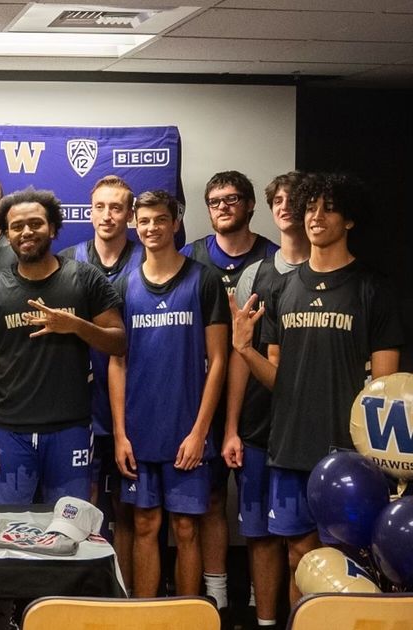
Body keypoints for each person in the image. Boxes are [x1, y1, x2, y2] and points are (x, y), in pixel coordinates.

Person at [232, 172, 402, 606]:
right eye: (310, 207)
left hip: (349, 457)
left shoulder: (372, 289)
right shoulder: (282, 287)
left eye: (328, 208)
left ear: (349, 220)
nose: (316, 217)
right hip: (290, 448)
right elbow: (276, 378)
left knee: (347, 562)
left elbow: (384, 390)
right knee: (299, 559)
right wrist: (245, 350)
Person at [0, 188, 125, 506]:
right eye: (17, 226)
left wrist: (76, 325)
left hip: (71, 429)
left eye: (36, 223)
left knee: (69, 533)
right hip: (8, 432)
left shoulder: (84, 278)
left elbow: (119, 342)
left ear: (52, 228)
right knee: (4, 530)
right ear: (7, 235)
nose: (27, 231)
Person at [108, 190, 229, 599]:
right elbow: (117, 362)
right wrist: (121, 434)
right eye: (144, 221)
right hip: (140, 434)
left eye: (160, 220)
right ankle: (144, 617)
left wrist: (200, 432)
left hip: (187, 433)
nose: (151, 228)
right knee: (144, 524)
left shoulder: (204, 279)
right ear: (134, 225)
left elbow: (218, 362)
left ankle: (187, 617)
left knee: (185, 527)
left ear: (175, 223)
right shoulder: (125, 286)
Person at [182, 170, 278, 609]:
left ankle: (265, 604)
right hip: (202, 399)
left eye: (233, 199)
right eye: (215, 201)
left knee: (262, 508)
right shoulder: (190, 259)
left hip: (261, 402)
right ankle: (216, 600)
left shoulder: (275, 261)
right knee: (212, 500)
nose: (223, 207)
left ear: (250, 205)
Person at [222, 171, 307, 629]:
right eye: (279, 200)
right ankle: (266, 623)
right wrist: (231, 426)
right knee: (258, 537)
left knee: (300, 541)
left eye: (296, 200)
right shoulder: (257, 273)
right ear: (270, 207)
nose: (286, 207)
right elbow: (240, 354)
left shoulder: (327, 272)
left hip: (306, 430)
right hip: (257, 426)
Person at [58, 175, 142, 584]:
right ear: (89, 212)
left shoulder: (149, 259)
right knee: (80, 503)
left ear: (130, 213)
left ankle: (121, 589)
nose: (107, 215)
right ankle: (82, 588)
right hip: (78, 401)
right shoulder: (69, 260)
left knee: (127, 507)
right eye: (100, 207)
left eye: (116, 207)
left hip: (132, 400)